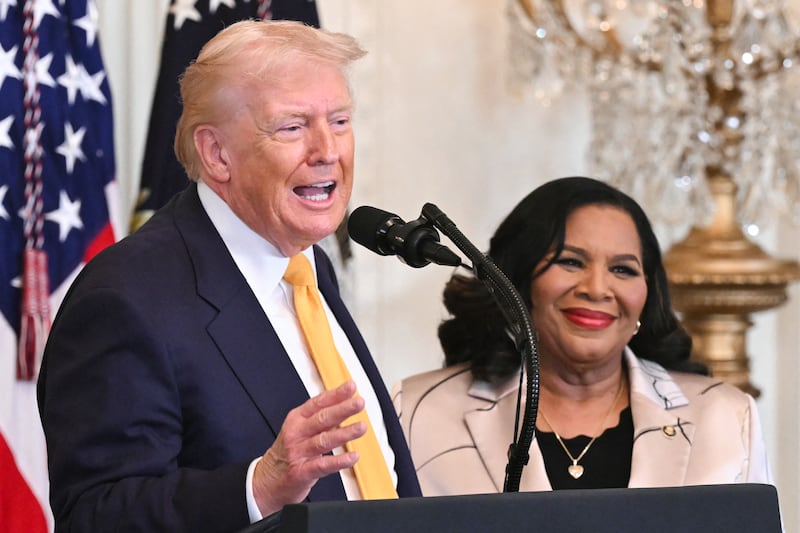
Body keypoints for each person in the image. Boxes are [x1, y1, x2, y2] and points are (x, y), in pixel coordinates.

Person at [37, 20, 420, 532]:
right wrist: (258, 487)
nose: (328, 150)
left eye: (340, 121)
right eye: (292, 126)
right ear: (216, 154)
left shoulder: (308, 266)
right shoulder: (127, 296)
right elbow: (96, 515)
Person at [395, 176, 772, 495]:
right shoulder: (416, 411)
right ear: (518, 281)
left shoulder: (725, 416)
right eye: (570, 262)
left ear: (648, 294)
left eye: (623, 270)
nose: (597, 288)